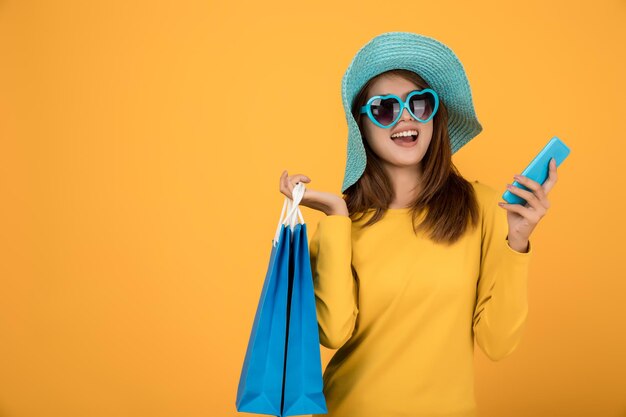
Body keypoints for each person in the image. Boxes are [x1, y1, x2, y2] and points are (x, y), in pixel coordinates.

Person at [278, 32, 558, 417]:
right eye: (385, 109)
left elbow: (497, 344)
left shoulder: (483, 206)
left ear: (435, 115)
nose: (406, 116)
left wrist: (518, 243)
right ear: (361, 126)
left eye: (418, 103)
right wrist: (337, 220)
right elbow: (334, 332)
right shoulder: (342, 227)